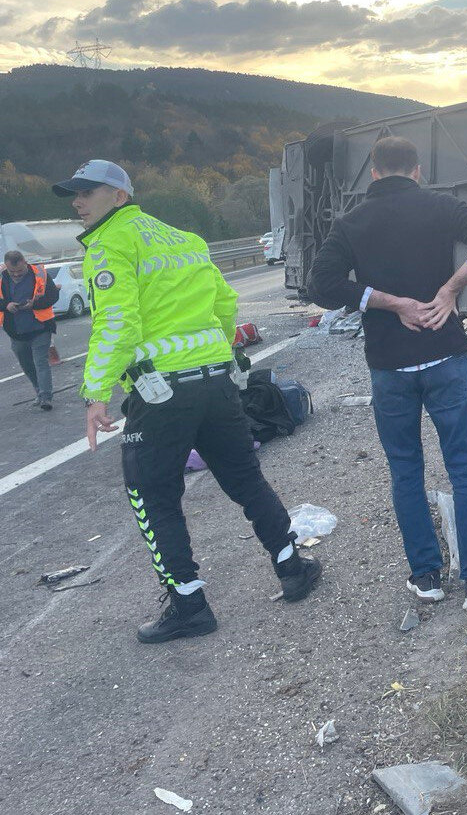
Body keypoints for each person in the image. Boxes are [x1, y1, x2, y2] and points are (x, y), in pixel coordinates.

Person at [53, 159, 320, 644]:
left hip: (161, 394)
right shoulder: (185, 240)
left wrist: (96, 393)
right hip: (216, 383)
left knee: (152, 497)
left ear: (119, 196)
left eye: (87, 193)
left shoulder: (111, 243)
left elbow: (118, 324)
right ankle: (293, 569)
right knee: (246, 480)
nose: (77, 202)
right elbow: (225, 305)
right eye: (75, 194)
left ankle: (188, 606)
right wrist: (220, 356)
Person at [308, 136, 467, 610]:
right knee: (465, 467)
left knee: (405, 471)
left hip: (390, 367)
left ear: (374, 172)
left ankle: (426, 576)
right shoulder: (440, 206)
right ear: (417, 170)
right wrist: (450, 290)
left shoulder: (351, 223)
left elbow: (321, 285)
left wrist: (388, 302)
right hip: (445, 356)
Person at [1, 250, 60, 410]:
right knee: (27, 365)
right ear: (6, 266)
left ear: (25, 263)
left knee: (41, 362)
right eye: (12, 271)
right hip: (16, 332)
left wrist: (34, 304)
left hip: (40, 328)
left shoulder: (40, 274)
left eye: (20, 270)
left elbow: (53, 296)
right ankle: (39, 391)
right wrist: (6, 306)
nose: (16, 274)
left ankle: (46, 397)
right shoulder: (1, 278)